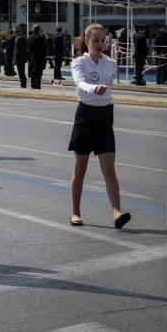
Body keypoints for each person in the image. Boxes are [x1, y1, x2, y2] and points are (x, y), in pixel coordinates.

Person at [68, 23, 131, 230]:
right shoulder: (79, 62)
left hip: (104, 117)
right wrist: (93, 88)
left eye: (103, 40)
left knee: (109, 168)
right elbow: (79, 83)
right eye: (95, 40)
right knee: (80, 168)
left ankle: (117, 212)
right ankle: (75, 211)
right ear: (86, 41)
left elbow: (110, 88)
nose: (99, 44)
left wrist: (101, 91)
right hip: (85, 116)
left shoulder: (111, 64)